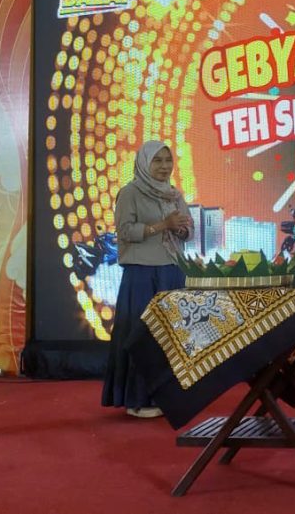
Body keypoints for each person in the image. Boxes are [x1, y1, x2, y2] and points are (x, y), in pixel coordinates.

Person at [102, 141, 193, 418]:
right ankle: (138, 399)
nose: (165, 166)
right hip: (142, 273)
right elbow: (125, 231)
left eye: (168, 160)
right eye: (157, 161)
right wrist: (163, 225)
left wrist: (182, 229)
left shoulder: (174, 194)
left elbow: (188, 229)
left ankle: (166, 396)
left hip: (172, 271)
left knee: (170, 336)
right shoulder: (130, 193)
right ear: (144, 163)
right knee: (142, 335)